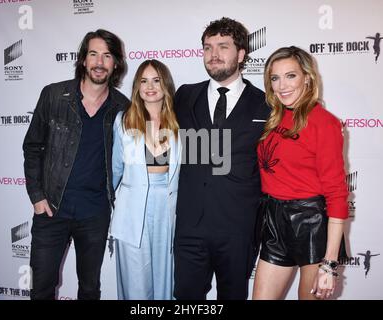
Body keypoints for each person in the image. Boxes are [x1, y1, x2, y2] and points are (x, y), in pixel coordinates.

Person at [22, 29, 129, 300]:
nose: (99, 62)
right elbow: (33, 147)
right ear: (83, 59)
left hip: (94, 213)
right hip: (51, 210)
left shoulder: (122, 107)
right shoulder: (54, 95)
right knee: (41, 288)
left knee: (90, 288)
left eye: (107, 56)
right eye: (93, 54)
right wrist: (37, 196)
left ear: (115, 63)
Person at [173, 17, 270, 300]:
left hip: (238, 230)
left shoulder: (265, 104)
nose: (213, 55)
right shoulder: (184, 96)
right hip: (190, 227)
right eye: (208, 47)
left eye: (223, 47)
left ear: (241, 54)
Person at [252, 46, 349, 300]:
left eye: (290, 76)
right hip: (274, 221)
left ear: (307, 77)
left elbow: (337, 193)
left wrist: (329, 264)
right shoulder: (273, 118)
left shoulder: (325, 123)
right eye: (275, 78)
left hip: (311, 224)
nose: (282, 85)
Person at [111, 59, 181, 300]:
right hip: (131, 209)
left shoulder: (179, 123)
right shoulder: (123, 121)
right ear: (136, 87)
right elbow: (114, 171)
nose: (150, 86)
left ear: (166, 84)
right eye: (143, 81)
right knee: (135, 282)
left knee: (166, 278)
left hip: (168, 208)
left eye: (156, 80)